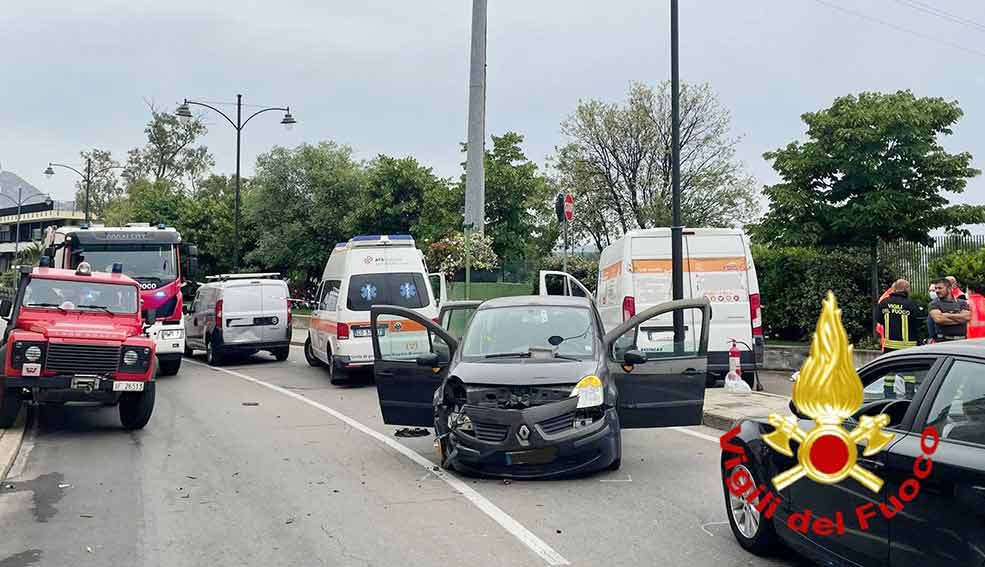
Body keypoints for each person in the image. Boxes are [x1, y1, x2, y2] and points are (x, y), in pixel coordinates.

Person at [879, 279, 924, 353]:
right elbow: (919, 321)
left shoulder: (884, 303)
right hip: (908, 347)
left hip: (889, 347)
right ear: (906, 289)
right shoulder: (911, 304)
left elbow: (879, 320)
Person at [929, 278, 971, 342]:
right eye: (936, 288)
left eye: (940, 288)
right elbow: (939, 319)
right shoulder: (934, 303)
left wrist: (947, 315)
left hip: (962, 341)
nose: (937, 291)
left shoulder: (962, 302)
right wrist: (961, 320)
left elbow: (968, 317)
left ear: (949, 289)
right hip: (943, 341)